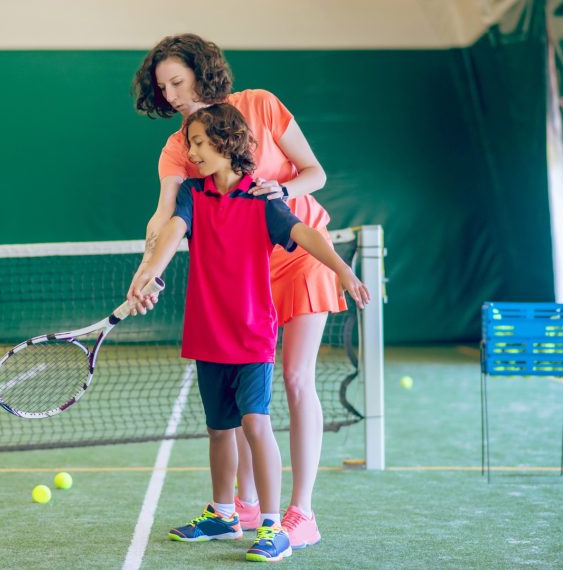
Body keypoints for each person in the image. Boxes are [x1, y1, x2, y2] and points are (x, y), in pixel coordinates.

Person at [129, 33, 343, 548]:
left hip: (299, 257)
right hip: (246, 276)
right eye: (163, 88)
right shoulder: (180, 146)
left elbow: (316, 172)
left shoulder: (262, 106)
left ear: (203, 72)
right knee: (250, 399)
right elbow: (166, 215)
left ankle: (301, 513)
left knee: (295, 377)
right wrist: (146, 269)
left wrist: (282, 191)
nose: (173, 95)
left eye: (178, 81)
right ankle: (242, 507)